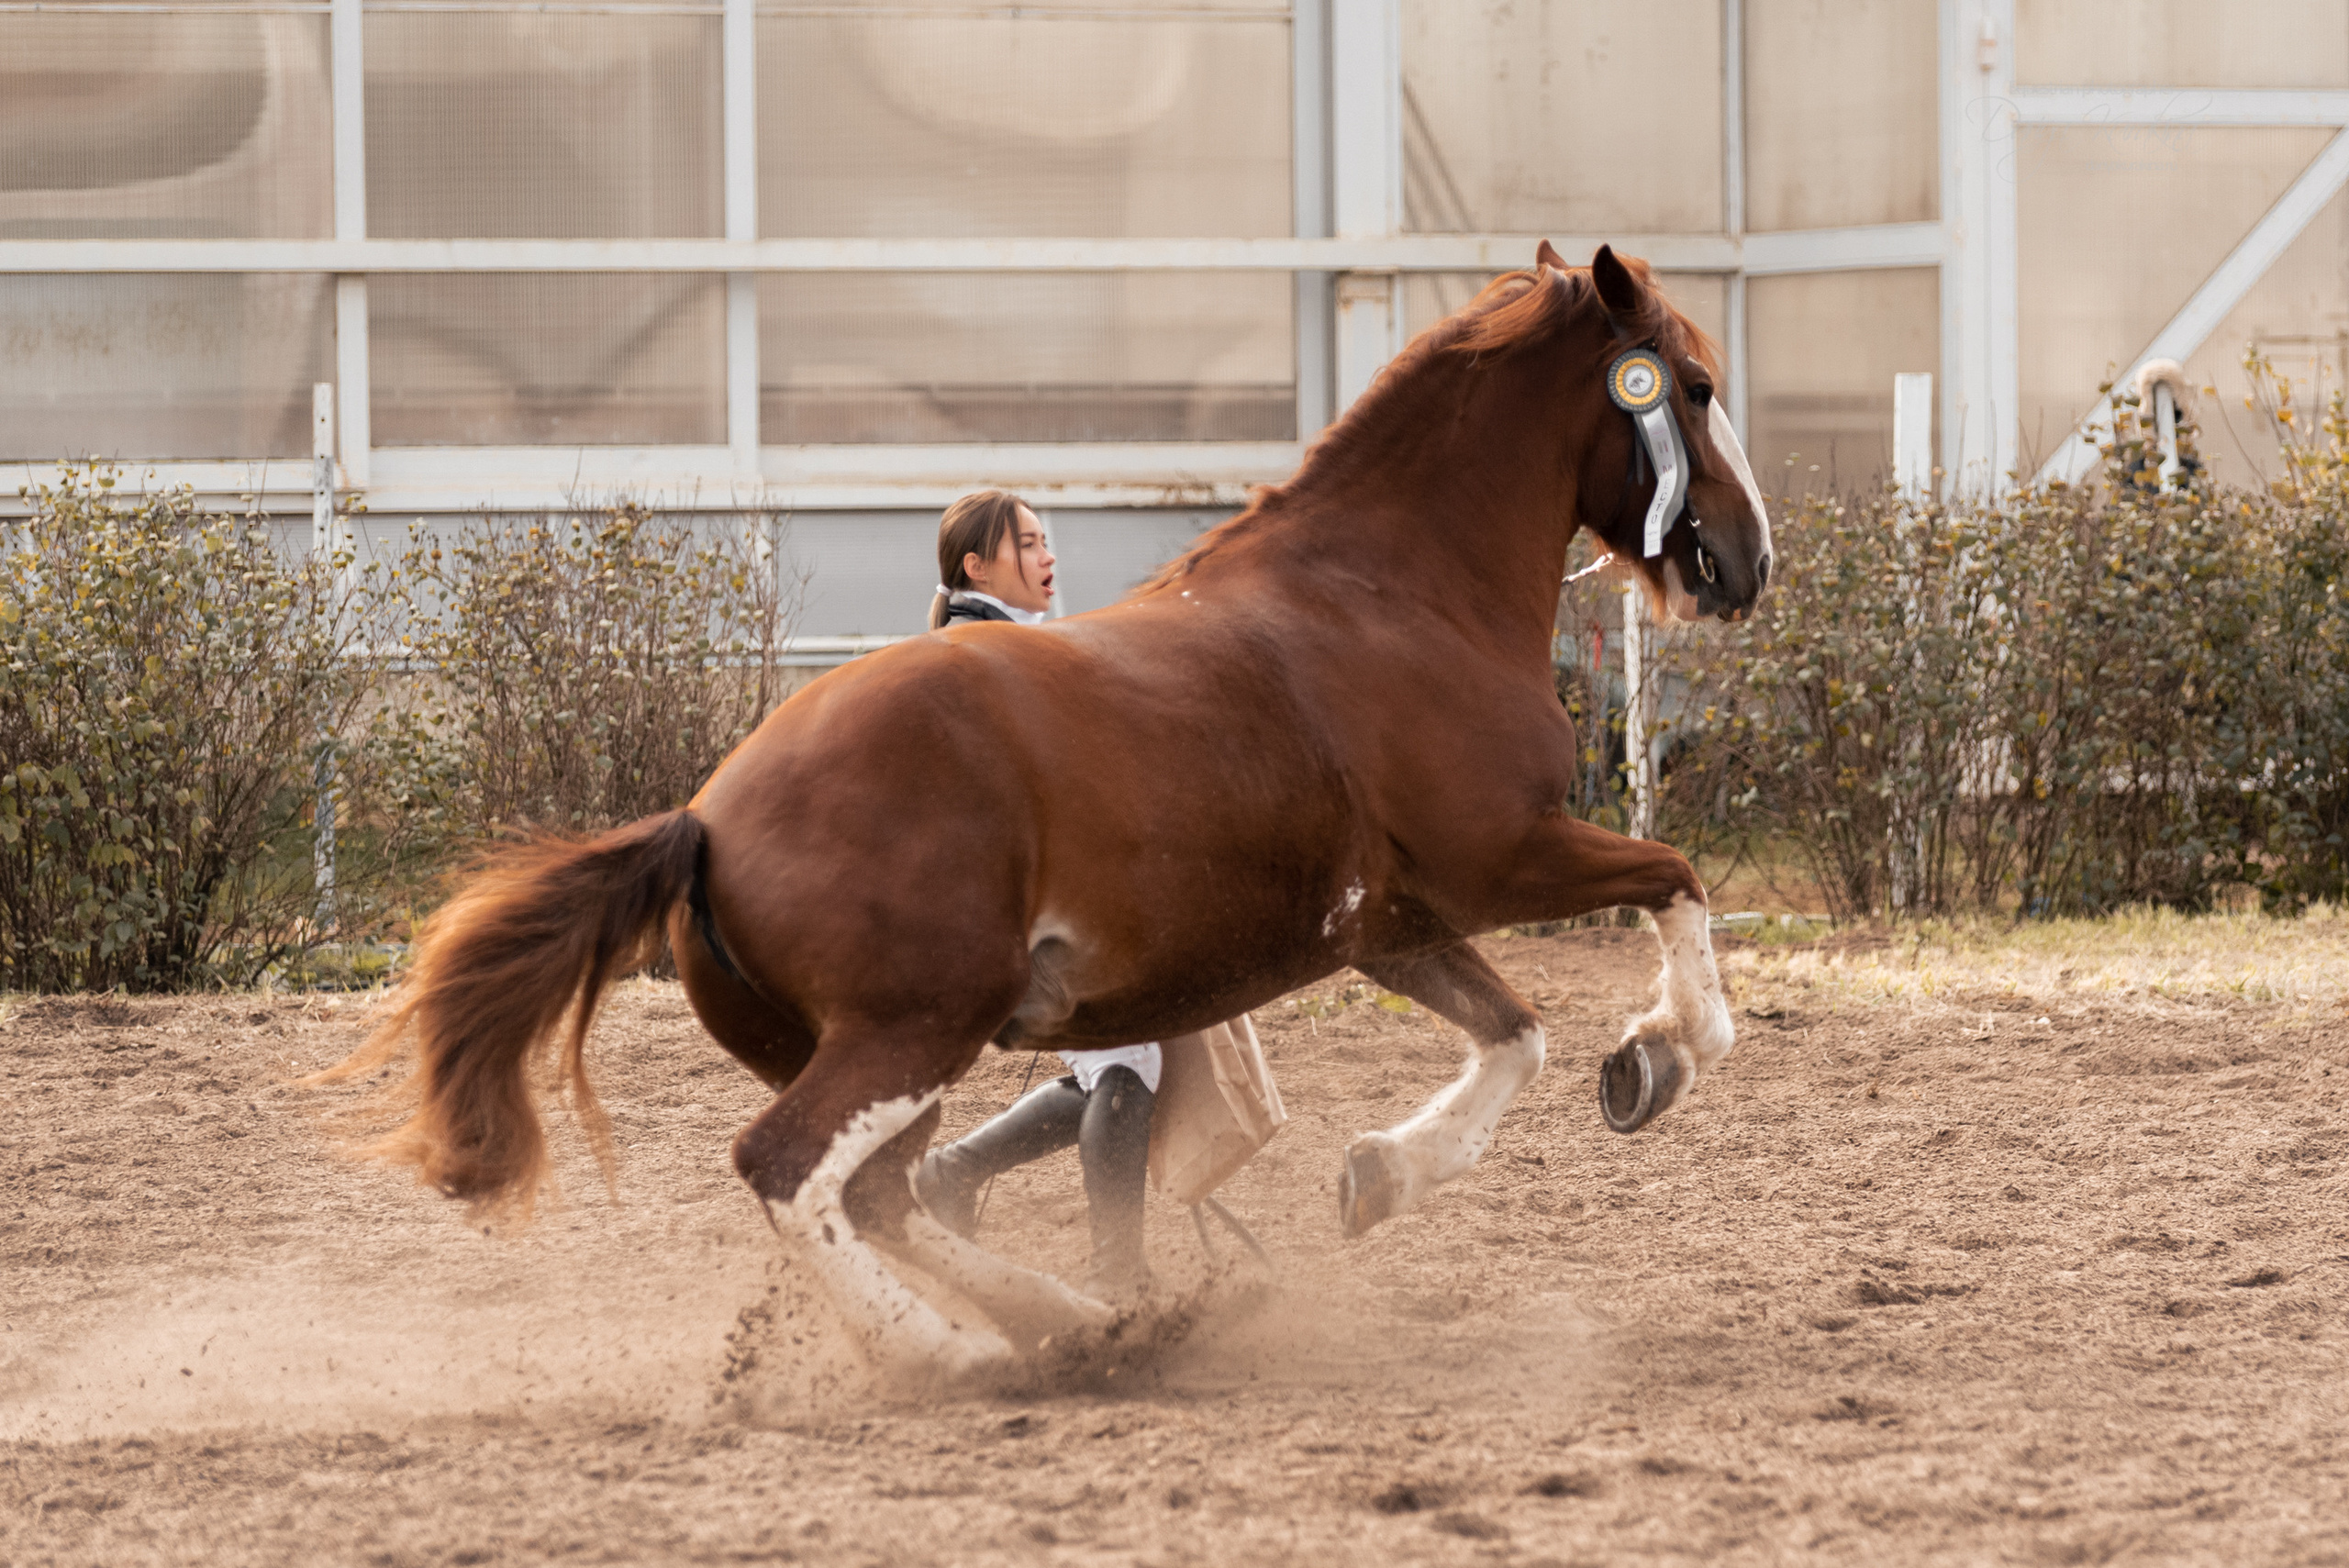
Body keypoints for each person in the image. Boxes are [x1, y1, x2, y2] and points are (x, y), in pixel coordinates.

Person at [914, 490, 1162, 1301]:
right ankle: (1117, 1278)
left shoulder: (997, 643)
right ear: (977, 566)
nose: (1048, 556)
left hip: (1028, 903)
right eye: (1026, 543)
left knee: (1112, 1063)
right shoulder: (988, 651)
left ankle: (954, 1172)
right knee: (1126, 1061)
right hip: (1019, 909)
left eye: (1046, 540)